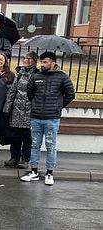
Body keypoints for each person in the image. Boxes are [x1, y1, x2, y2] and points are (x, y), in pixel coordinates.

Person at [21, 52, 75, 186]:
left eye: (45, 62)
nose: (42, 64)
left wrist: (58, 106)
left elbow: (70, 94)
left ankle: (49, 173)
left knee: (51, 146)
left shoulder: (62, 77)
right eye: (41, 62)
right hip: (36, 117)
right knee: (34, 145)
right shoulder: (36, 76)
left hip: (52, 118)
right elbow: (30, 93)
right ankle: (33, 171)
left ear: (52, 62)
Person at [3, 51, 39, 169]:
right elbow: (12, 91)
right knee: (15, 136)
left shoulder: (37, 75)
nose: (27, 61)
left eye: (30, 59)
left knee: (27, 137)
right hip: (17, 109)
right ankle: (14, 157)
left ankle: (25, 159)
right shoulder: (19, 74)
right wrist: (7, 108)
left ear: (34, 61)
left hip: (30, 110)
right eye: (25, 59)